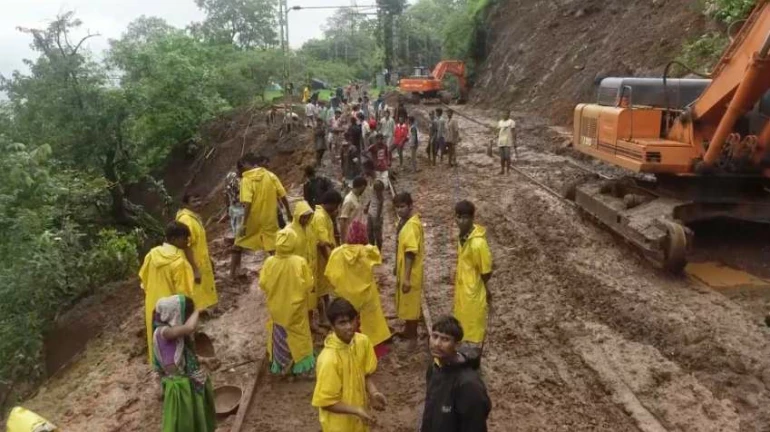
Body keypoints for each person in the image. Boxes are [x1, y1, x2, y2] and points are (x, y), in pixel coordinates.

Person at [311, 298, 387, 431]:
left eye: (352, 320)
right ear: (332, 326)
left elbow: (366, 373)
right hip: (339, 425)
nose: (349, 327)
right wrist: (356, 410)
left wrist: (373, 392)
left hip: (359, 419)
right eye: (342, 323)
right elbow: (326, 402)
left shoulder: (363, 342)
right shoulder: (328, 360)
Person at [152, 295, 216, 432]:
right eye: (185, 315)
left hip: (188, 384)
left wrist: (204, 360)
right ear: (174, 314)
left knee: (195, 421)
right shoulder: (163, 332)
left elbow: (185, 355)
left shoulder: (175, 333)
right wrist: (197, 311)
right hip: (180, 388)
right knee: (184, 424)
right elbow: (189, 327)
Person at [325, 234, 391, 359]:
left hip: (346, 296)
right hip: (366, 295)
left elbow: (330, 275)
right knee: (369, 322)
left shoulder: (337, 253)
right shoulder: (367, 251)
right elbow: (377, 257)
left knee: (349, 322)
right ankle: (372, 349)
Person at [260, 229, 316, 376]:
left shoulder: (269, 262)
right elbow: (309, 284)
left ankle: (282, 365)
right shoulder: (299, 262)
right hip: (296, 309)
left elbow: (263, 284)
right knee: (299, 336)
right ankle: (302, 367)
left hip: (277, 309)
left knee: (280, 336)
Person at [420, 317, 491, 432]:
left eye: (445, 339)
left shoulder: (468, 384)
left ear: (457, 345)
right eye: (435, 336)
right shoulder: (434, 369)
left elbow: (475, 425)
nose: (437, 344)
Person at [139, 222, 195, 364]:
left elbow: (143, 282)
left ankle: (161, 370)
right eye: (185, 239)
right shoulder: (179, 263)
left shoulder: (151, 255)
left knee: (158, 343)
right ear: (175, 239)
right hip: (172, 310)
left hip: (153, 307)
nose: (187, 242)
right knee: (176, 347)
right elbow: (184, 295)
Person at [453, 201, 493, 353]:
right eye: (458, 217)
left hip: (473, 292)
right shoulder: (462, 237)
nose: (461, 221)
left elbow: (486, 271)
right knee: (463, 323)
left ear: (472, 218)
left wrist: (483, 288)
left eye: (465, 218)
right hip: (462, 289)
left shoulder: (478, 244)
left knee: (473, 327)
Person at [235, 153, 293, 254]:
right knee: (272, 246)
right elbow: (283, 195)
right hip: (269, 219)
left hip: (253, 220)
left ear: (245, 164)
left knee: (238, 245)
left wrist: (244, 224)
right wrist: (288, 212)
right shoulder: (270, 175)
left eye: (240, 167)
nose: (240, 170)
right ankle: (278, 266)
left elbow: (248, 203)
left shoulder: (246, 180)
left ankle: (233, 270)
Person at [176, 194, 218, 311]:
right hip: (194, 262)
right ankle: (199, 314)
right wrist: (195, 269)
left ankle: (207, 310)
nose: (198, 203)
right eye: (194, 201)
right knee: (197, 289)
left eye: (199, 200)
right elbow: (185, 245)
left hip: (201, 260)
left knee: (204, 287)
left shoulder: (193, 218)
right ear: (186, 204)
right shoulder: (186, 220)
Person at [393, 192, 424, 343]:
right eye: (397, 207)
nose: (399, 210)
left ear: (410, 206)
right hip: (405, 269)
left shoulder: (411, 226)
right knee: (408, 302)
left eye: (402, 206)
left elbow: (410, 253)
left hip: (410, 272)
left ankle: (412, 333)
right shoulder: (405, 222)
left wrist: (406, 277)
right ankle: (408, 329)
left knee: (411, 303)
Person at [312, 190, 343, 319]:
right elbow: (323, 244)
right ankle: (322, 317)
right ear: (331, 204)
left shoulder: (324, 215)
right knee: (319, 287)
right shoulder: (320, 217)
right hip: (320, 259)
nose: (337, 209)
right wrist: (331, 262)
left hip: (325, 257)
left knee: (323, 287)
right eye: (336, 206)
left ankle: (326, 309)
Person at [224, 161, 246, 279]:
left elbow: (225, 195)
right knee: (238, 242)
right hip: (240, 212)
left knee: (239, 241)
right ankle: (232, 273)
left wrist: (227, 210)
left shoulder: (229, 177)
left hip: (233, 210)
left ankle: (238, 268)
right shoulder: (242, 182)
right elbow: (246, 199)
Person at [339, 177, 368, 242]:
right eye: (364, 188)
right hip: (350, 233)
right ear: (362, 187)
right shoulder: (349, 200)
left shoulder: (358, 197)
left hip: (357, 231)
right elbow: (342, 219)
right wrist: (343, 238)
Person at [366, 180, 385, 251]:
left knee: (377, 235)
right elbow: (371, 198)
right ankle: (372, 249)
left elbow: (380, 204)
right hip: (371, 213)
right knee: (369, 232)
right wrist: (367, 206)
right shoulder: (372, 189)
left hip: (376, 215)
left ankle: (378, 250)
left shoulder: (379, 194)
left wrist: (377, 218)